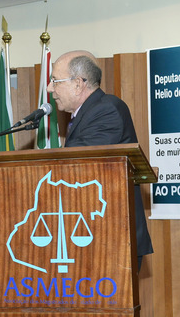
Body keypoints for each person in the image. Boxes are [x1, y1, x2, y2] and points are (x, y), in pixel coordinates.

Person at [47, 50, 153, 267]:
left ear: (78, 84)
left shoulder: (106, 109)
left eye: (55, 81)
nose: (50, 88)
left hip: (112, 237)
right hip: (93, 235)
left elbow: (81, 163)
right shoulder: (87, 112)